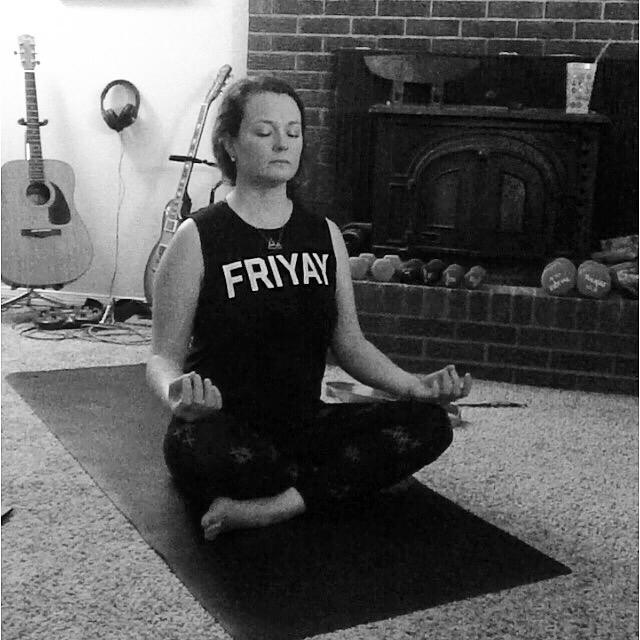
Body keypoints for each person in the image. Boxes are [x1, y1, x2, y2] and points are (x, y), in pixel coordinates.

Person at [146, 75, 472, 541]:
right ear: (230, 144)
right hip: (221, 427)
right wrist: (177, 395)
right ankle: (324, 484)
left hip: (304, 422)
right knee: (221, 457)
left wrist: (415, 387)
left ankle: (279, 505)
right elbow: (162, 358)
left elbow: (350, 345)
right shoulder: (197, 237)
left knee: (431, 425)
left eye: (293, 132)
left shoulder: (324, 234)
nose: (282, 143)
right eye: (264, 132)